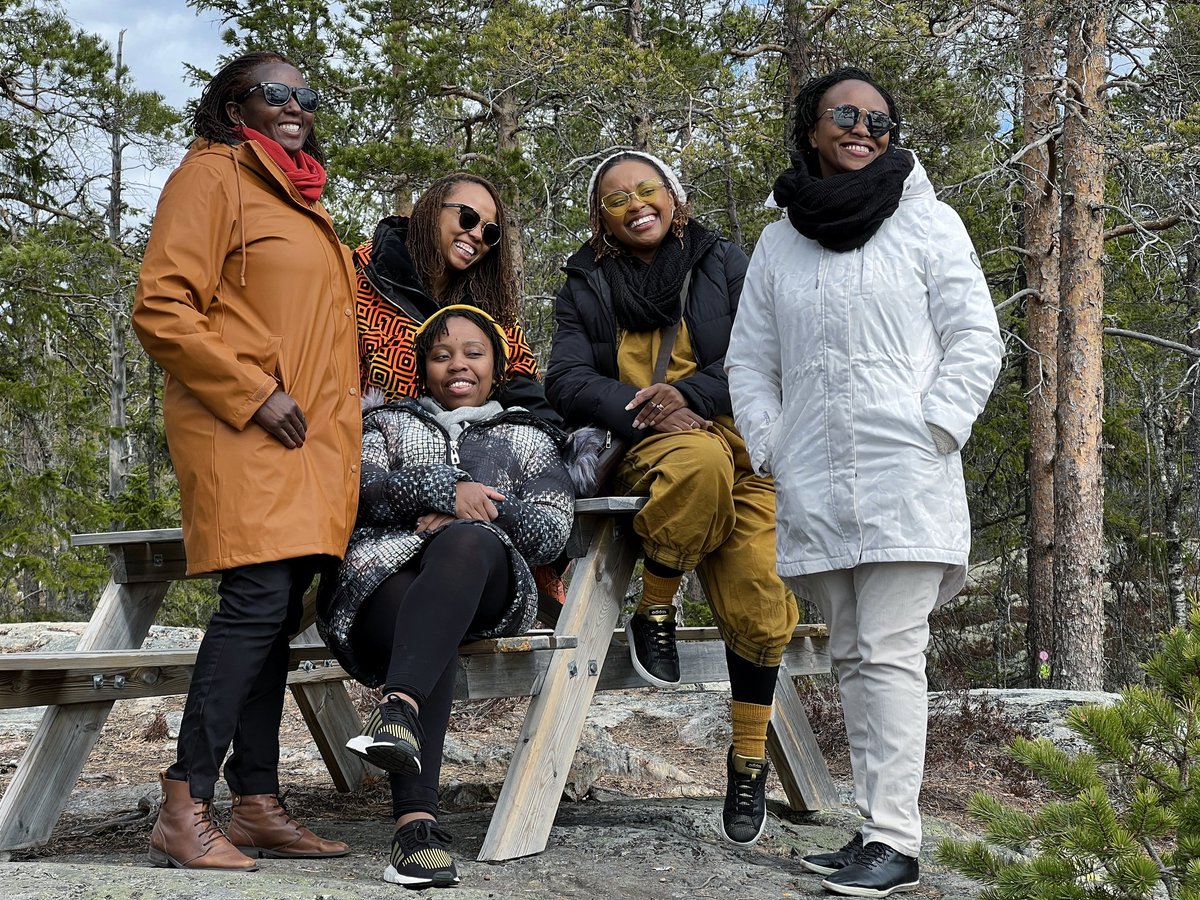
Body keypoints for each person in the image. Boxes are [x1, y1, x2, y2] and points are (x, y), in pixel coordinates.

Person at [726, 67, 1003, 897]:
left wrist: (934, 429)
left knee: (888, 652)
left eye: (880, 120)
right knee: (851, 654)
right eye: (844, 115)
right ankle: (873, 831)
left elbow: (976, 338)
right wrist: (773, 445)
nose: (862, 129)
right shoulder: (780, 242)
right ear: (811, 128)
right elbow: (749, 359)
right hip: (815, 473)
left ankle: (897, 841)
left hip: (904, 473)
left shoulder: (930, 224)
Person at [132, 51, 360, 871]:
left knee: (275, 610)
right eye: (275, 92)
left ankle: (256, 801)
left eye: (307, 92)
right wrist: (252, 392)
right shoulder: (213, 176)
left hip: (308, 442)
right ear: (236, 107)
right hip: (246, 427)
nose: (295, 103)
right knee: (256, 600)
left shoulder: (297, 193)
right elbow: (161, 305)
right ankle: (184, 801)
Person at [545, 150, 799, 848]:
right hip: (652, 448)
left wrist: (689, 393)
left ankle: (748, 761)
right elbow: (564, 380)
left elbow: (768, 351)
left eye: (647, 188)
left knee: (762, 598)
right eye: (617, 197)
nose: (636, 203)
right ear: (602, 218)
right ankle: (656, 602)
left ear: (674, 196)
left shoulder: (725, 262)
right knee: (694, 463)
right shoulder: (586, 284)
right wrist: (648, 409)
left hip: (743, 443)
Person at [318, 305, 575, 888]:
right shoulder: (386, 424)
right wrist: (438, 489)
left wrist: (476, 508)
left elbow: (551, 527)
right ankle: (413, 821)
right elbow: (355, 494)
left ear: (498, 366)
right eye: (441, 355)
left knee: (465, 543)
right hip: (379, 586)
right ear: (422, 369)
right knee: (421, 623)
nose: (457, 364)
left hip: (485, 585)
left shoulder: (529, 436)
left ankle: (403, 741)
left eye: (473, 353)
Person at [354, 173, 560, 423]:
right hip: (374, 445)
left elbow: (521, 384)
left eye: (490, 232)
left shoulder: (490, 302)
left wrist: (557, 441)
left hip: (472, 453)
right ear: (432, 210)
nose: (476, 235)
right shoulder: (361, 275)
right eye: (468, 218)